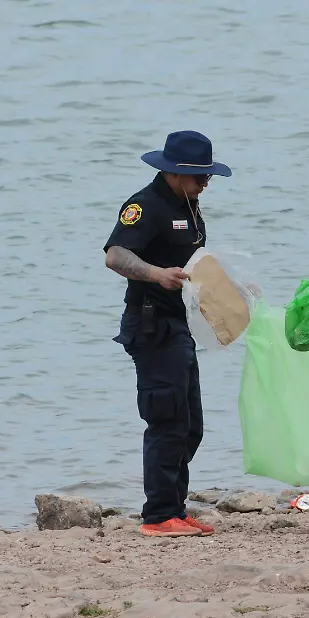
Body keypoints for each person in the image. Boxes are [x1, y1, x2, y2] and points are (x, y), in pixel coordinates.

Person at [102, 130, 232, 538]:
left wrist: (232, 292)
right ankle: (158, 515)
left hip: (181, 326)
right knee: (167, 420)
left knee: (190, 424)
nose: (206, 184)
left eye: (209, 177)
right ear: (174, 172)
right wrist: (157, 275)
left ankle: (176, 508)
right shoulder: (145, 206)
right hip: (152, 324)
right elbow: (115, 256)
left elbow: (194, 265)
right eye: (200, 177)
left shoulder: (190, 205)